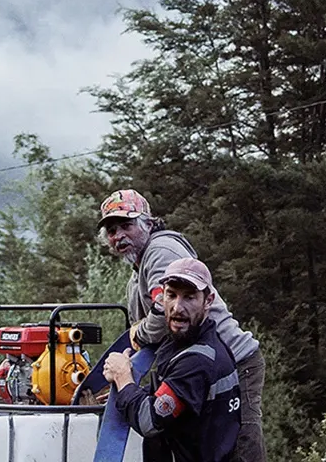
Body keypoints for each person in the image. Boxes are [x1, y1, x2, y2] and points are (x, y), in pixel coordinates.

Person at [98, 190, 266, 462]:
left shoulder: (160, 252)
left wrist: (137, 341)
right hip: (193, 364)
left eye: (126, 225)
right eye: (111, 230)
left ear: (148, 224)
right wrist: (125, 381)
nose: (118, 236)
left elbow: (160, 315)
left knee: (241, 444)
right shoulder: (138, 270)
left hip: (234, 362)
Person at [104, 257, 241, 462]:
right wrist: (130, 391)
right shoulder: (191, 343)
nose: (177, 307)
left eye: (189, 297)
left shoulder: (196, 361)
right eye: (171, 295)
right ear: (162, 298)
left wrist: (123, 378)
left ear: (208, 301)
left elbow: (149, 421)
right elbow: (176, 397)